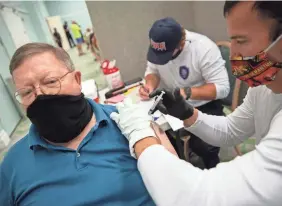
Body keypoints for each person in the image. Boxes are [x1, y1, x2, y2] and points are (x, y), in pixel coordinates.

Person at [111, 1, 282, 205]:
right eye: (232, 40)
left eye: (242, 41)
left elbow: (200, 197)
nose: (234, 53)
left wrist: (141, 135)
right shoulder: (263, 87)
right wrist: (188, 115)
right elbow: (231, 130)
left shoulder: (203, 48)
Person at [0, 43, 160, 206]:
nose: (40, 95)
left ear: (77, 79)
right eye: (27, 92)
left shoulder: (132, 125)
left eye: (51, 81)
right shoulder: (12, 167)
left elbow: (175, 188)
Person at [139, 17, 230, 168]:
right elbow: (152, 70)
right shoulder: (159, 47)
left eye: (167, 55)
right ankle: (182, 160)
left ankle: (210, 167)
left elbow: (222, 88)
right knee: (160, 139)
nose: (162, 60)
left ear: (181, 43)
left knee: (205, 147)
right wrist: (149, 85)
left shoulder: (203, 48)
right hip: (172, 103)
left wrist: (187, 92)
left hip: (204, 104)